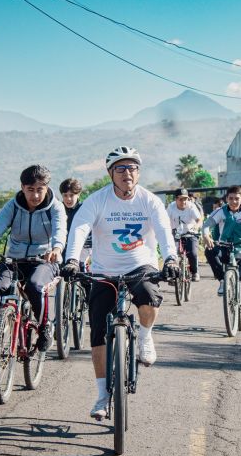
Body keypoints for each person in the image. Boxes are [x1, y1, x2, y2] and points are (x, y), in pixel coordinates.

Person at [61, 146, 178, 419]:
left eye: (133, 168)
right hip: (104, 271)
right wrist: (72, 260)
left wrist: (171, 258)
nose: (128, 173)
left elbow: (163, 231)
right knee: (99, 332)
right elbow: (79, 229)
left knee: (149, 298)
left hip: (141, 266)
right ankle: (102, 395)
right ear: (110, 173)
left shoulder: (149, 200)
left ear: (138, 172)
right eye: (121, 168)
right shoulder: (97, 200)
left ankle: (146, 338)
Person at [0, 165, 66, 366]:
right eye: (30, 190)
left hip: (44, 260)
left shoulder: (55, 207)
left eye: (39, 190)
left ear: (47, 188)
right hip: (14, 260)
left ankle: (44, 327)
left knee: (34, 286)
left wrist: (57, 249)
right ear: (22, 187)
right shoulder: (13, 206)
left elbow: (60, 230)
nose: (35, 195)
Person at [202, 185, 241, 324]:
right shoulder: (220, 211)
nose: (234, 201)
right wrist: (206, 235)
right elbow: (207, 224)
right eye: (231, 198)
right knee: (209, 250)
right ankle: (223, 280)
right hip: (225, 246)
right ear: (226, 199)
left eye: (237, 199)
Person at [167, 188, 202, 281]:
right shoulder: (171, 207)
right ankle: (173, 274)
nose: (183, 201)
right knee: (173, 253)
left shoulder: (191, 206)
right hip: (176, 233)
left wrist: (196, 227)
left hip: (190, 233)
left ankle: (195, 272)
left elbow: (199, 220)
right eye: (181, 199)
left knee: (193, 253)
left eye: (185, 199)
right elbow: (165, 221)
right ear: (176, 199)